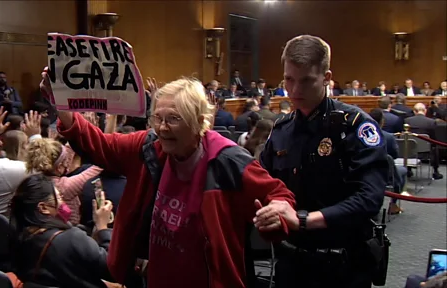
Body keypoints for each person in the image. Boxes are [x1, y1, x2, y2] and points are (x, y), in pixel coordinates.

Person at [40, 70, 296, 288]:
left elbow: (279, 196)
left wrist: (279, 211)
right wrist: (62, 104)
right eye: (158, 118)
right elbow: (99, 145)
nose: (162, 128)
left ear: (199, 121)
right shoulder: (149, 146)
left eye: (174, 119)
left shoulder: (229, 161)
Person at [260, 35, 389, 288]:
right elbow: (266, 182)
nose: (295, 91)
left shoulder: (355, 127)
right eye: (289, 79)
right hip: (291, 261)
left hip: (342, 264)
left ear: (327, 78)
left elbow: (369, 198)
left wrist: (306, 220)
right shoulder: (281, 129)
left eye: (306, 81)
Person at [9, 173, 117, 288]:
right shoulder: (71, 238)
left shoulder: (19, 239)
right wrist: (102, 227)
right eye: (59, 198)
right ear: (43, 208)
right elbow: (113, 269)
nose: (63, 202)